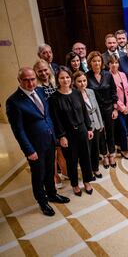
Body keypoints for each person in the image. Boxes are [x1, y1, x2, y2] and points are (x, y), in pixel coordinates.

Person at [6, 67, 70, 216]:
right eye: (26, 80)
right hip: (35, 146)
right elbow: (18, 130)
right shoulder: (13, 101)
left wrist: (55, 137)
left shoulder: (40, 91)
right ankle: (42, 202)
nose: (30, 83)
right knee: (38, 175)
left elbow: (47, 116)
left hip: (49, 140)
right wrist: (29, 150)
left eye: (33, 79)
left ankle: (52, 194)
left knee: (50, 171)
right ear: (19, 81)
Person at [49, 67, 94, 197]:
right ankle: (74, 184)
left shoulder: (76, 93)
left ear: (71, 78)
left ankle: (87, 181)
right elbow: (56, 120)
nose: (65, 80)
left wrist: (89, 128)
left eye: (67, 77)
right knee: (72, 160)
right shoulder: (54, 98)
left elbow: (84, 112)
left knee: (86, 157)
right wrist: (61, 136)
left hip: (82, 130)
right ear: (57, 79)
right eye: (62, 78)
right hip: (67, 134)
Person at [33, 60, 67, 189]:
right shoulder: (36, 87)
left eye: (45, 69)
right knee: (52, 152)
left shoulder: (54, 82)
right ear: (36, 72)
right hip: (48, 123)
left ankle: (64, 172)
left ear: (49, 69)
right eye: (40, 71)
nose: (43, 73)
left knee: (61, 149)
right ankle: (54, 176)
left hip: (59, 120)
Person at [86, 51, 118, 168]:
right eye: (94, 61)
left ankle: (112, 154)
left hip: (109, 108)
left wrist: (115, 108)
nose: (97, 63)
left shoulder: (108, 75)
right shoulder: (86, 76)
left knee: (110, 132)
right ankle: (104, 155)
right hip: (95, 111)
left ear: (102, 62)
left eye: (99, 61)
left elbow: (114, 92)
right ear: (90, 63)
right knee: (100, 133)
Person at [73, 71, 104, 179]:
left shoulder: (90, 91)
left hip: (95, 123)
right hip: (84, 126)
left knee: (96, 148)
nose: (82, 83)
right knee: (86, 151)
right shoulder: (74, 95)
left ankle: (95, 168)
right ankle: (88, 171)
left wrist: (100, 123)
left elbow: (97, 108)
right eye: (79, 81)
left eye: (84, 80)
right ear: (74, 82)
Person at [109, 55, 128, 159]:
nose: (114, 65)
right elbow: (112, 95)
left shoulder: (122, 74)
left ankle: (120, 146)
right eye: (112, 63)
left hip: (126, 106)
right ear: (108, 64)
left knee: (123, 127)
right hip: (116, 108)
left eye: (116, 62)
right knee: (122, 129)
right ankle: (124, 150)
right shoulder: (107, 76)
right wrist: (122, 108)